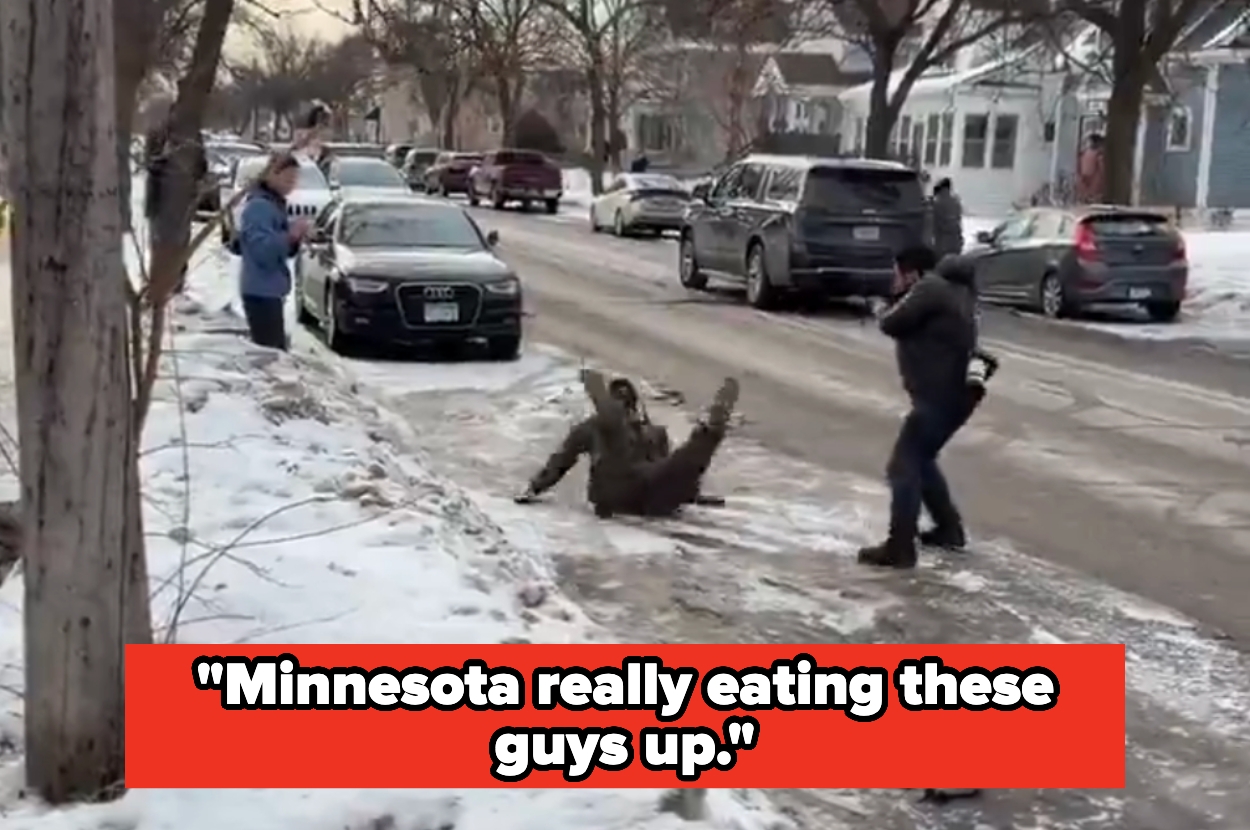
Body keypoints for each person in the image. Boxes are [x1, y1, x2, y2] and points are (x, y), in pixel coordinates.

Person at [858, 245, 977, 568]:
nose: (893, 280)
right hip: (955, 396)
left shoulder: (930, 288)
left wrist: (881, 307)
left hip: (938, 397)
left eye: (896, 273)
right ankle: (948, 528)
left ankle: (900, 547)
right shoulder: (953, 292)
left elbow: (892, 323)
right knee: (921, 459)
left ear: (912, 274)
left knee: (903, 466)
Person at [516, 377, 727, 509]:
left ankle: (707, 435)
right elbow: (562, 460)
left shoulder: (652, 432)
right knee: (643, 461)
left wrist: (690, 493)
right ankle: (706, 436)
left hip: (647, 491)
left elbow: (666, 472)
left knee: (673, 464)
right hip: (615, 491)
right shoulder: (594, 428)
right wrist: (535, 487)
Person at [237, 152, 309, 350]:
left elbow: (281, 251)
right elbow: (262, 251)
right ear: (271, 175)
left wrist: (295, 238)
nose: (291, 184)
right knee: (269, 352)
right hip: (260, 291)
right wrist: (290, 236)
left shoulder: (274, 205)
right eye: (287, 178)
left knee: (273, 348)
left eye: (294, 179)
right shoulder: (260, 207)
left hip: (269, 290)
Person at [930, 177, 963, 258]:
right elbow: (958, 218)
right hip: (956, 240)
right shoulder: (955, 201)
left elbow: (934, 223)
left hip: (942, 243)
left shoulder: (937, 202)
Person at [1077, 133, 1104, 204]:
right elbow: (1101, 169)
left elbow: (1079, 168)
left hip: (1084, 182)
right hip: (1093, 182)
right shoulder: (1099, 155)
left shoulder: (1083, 154)